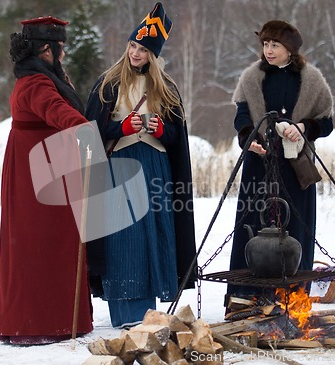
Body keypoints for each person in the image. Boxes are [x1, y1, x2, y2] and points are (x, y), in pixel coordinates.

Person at [85, 3, 196, 328]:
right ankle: (126, 313)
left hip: (156, 170)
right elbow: (90, 129)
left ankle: (149, 313)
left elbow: (177, 137)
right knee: (123, 238)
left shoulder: (167, 88)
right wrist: (122, 128)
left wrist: (161, 129)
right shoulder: (107, 84)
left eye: (143, 49)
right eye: (133, 45)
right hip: (119, 168)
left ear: (153, 55)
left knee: (152, 237)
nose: (136, 53)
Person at [0, 16, 93, 345]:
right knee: (38, 245)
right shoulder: (36, 83)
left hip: (47, 166)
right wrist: (82, 129)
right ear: (46, 50)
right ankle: (36, 322)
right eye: (60, 48)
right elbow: (54, 109)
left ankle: (57, 318)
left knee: (55, 243)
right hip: (37, 175)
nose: (63, 55)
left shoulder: (42, 76)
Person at [226, 20, 334, 303]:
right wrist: (250, 138)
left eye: (275, 45)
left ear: (290, 49)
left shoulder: (311, 79)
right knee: (252, 226)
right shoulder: (252, 77)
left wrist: (303, 128)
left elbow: (326, 122)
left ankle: (292, 298)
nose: (269, 50)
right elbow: (241, 118)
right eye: (265, 44)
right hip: (258, 166)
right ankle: (246, 297)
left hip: (295, 167)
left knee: (296, 227)